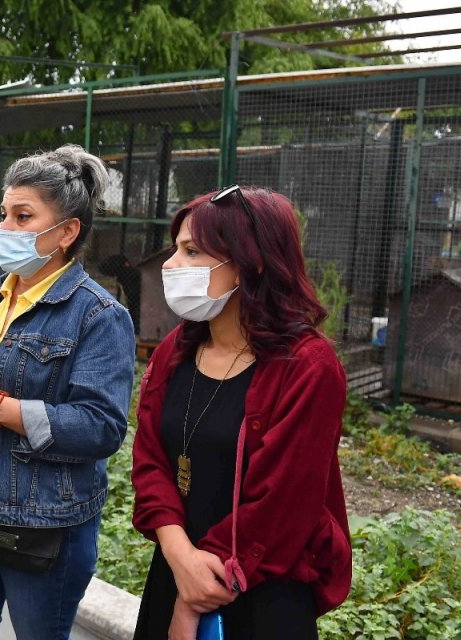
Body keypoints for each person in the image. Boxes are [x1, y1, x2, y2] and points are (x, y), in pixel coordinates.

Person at [0, 144, 136, 639]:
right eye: (4, 215)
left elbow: (102, 427)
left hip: (42, 526)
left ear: (66, 232)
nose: (5, 229)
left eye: (23, 217)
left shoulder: (99, 316)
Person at [130, 186, 351, 640]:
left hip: (261, 593)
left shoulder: (308, 367)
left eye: (192, 251)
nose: (171, 265)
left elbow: (281, 506)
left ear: (253, 261)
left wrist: (196, 597)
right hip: (175, 570)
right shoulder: (177, 350)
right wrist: (181, 560)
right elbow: (150, 459)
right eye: (176, 249)